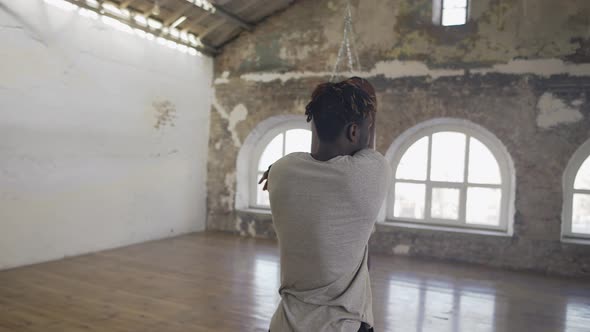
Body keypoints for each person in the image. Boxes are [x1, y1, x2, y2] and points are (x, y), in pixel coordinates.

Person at [259, 77, 392, 332]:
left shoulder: (281, 171)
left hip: (284, 324)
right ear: (355, 131)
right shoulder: (370, 172)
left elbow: (285, 165)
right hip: (342, 326)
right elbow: (367, 146)